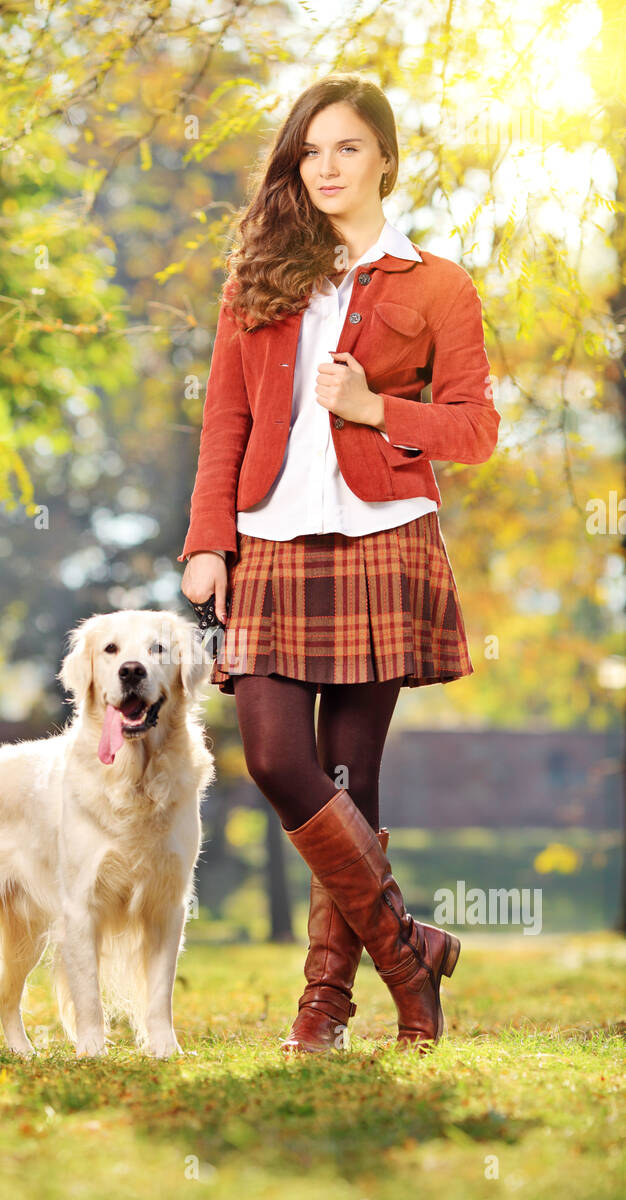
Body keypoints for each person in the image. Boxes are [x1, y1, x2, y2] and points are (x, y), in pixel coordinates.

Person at [177, 73, 500, 1053]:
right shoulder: (257, 282)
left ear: (384, 163)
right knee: (277, 759)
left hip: (384, 544)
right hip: (270, 541)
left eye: (346, 148)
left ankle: (324, 1008)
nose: (325, 166)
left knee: (352, 785)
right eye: (310, 150)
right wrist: (206, 542)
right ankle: (408, 952)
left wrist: (373, 411)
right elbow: (225, 418)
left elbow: (477, 429)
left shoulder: (437, 283)